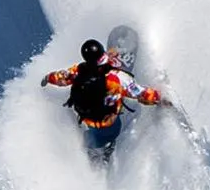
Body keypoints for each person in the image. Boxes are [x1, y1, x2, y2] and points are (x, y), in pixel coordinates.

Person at [41, 38, 169, 157]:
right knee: (108, 136)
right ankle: (104, 150)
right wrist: (160, 97)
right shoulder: (117, 78)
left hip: (87, 118)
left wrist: (48, 78)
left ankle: (95, 146)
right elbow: (141, 94)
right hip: (110, 123)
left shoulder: (79, 71)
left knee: (95, 134)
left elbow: (62, 77)